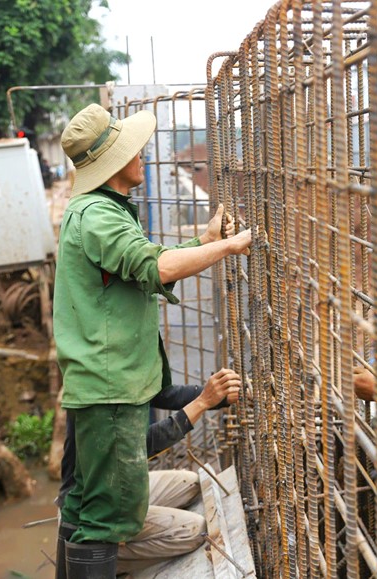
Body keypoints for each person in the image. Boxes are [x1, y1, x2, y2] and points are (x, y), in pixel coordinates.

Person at [53, 103, 252, 578]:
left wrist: (203, 240)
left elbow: (145, 265)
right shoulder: (98, 215)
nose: (141, 153)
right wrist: (227, 246)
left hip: (111, 382)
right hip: (109, 387)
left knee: (94, 506)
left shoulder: (101, 212)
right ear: (113, 162)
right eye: (132, 149)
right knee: (105, 520)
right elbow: (156, 267)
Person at [55, 370, 241, 576]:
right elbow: (136, 447)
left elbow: (164, 394)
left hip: (118, 482)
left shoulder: (116, 368)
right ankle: (100, 558)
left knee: (190, 483)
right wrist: (202, 402)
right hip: (90, 505)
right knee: (194, 531)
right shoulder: (94, 387)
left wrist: (218, 395)